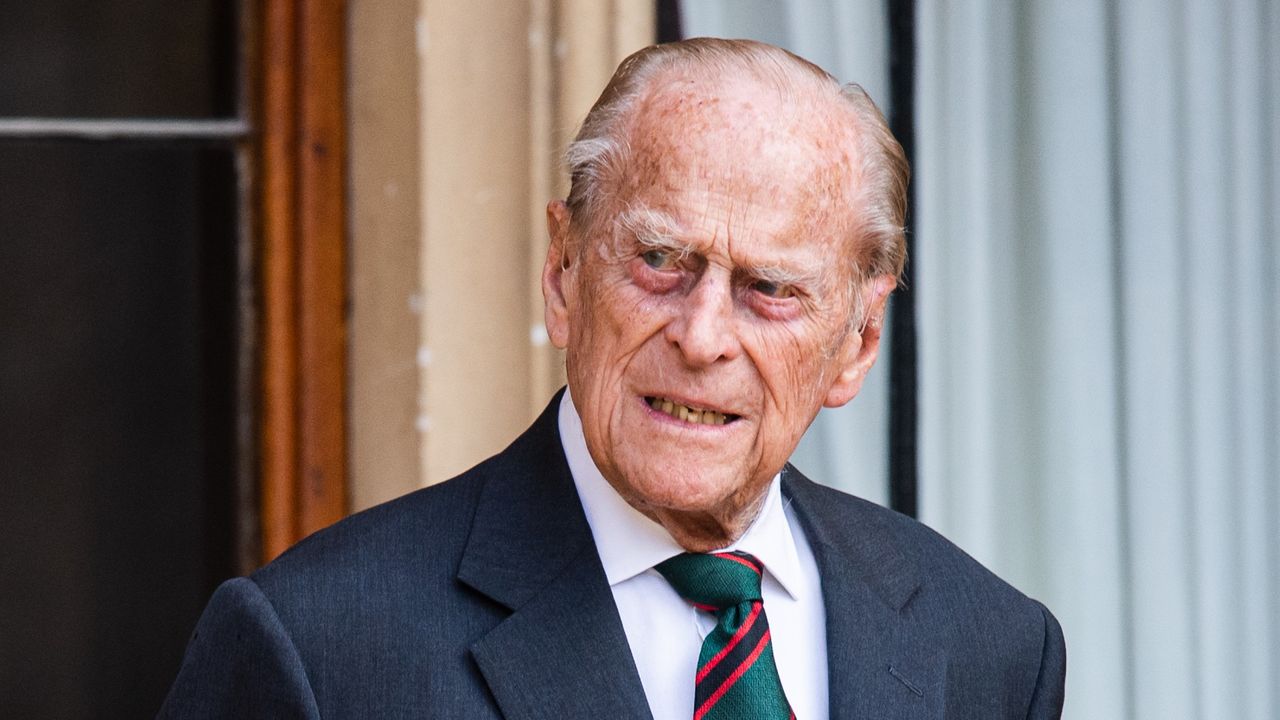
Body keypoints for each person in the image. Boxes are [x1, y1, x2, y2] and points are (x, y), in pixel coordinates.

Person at [160, 38, 1065, 719]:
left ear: (859, 341)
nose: (703, 335)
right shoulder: (320, 650)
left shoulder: (987, 650)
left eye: (771, 289)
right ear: (563, 274)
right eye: (662, 260)